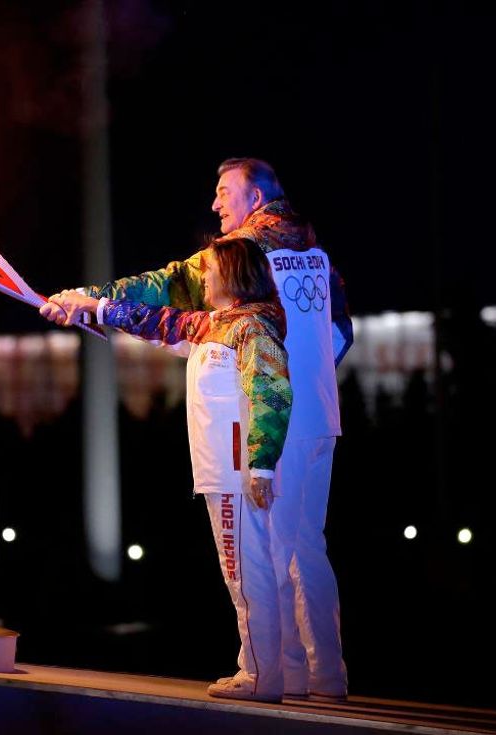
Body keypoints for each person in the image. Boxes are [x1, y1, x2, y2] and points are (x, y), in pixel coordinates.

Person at [51, 158, 352, 701]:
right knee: (306, 546)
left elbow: (165, 289)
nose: (215, 204)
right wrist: (307, 383)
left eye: (224, 191)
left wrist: (89, 298)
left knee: (262, 551)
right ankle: (322, 673)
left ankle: (269, 673)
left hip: (267, 424)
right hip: (318, 417)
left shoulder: (240, 252)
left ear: (255, 198)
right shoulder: (316, 253)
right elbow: (341, 333)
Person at [43, 238, 292, 702]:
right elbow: (154, 321)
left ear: (233, 274)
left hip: (238, 474)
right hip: (223, 473)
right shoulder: (212, 325)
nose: (203, 277)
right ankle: (267, 671)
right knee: (244, 570)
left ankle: (261, 675)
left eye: (211, 269)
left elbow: (272, 393)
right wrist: (88, 306)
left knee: (246, 570)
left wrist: (261, 465)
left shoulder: (252, 327)